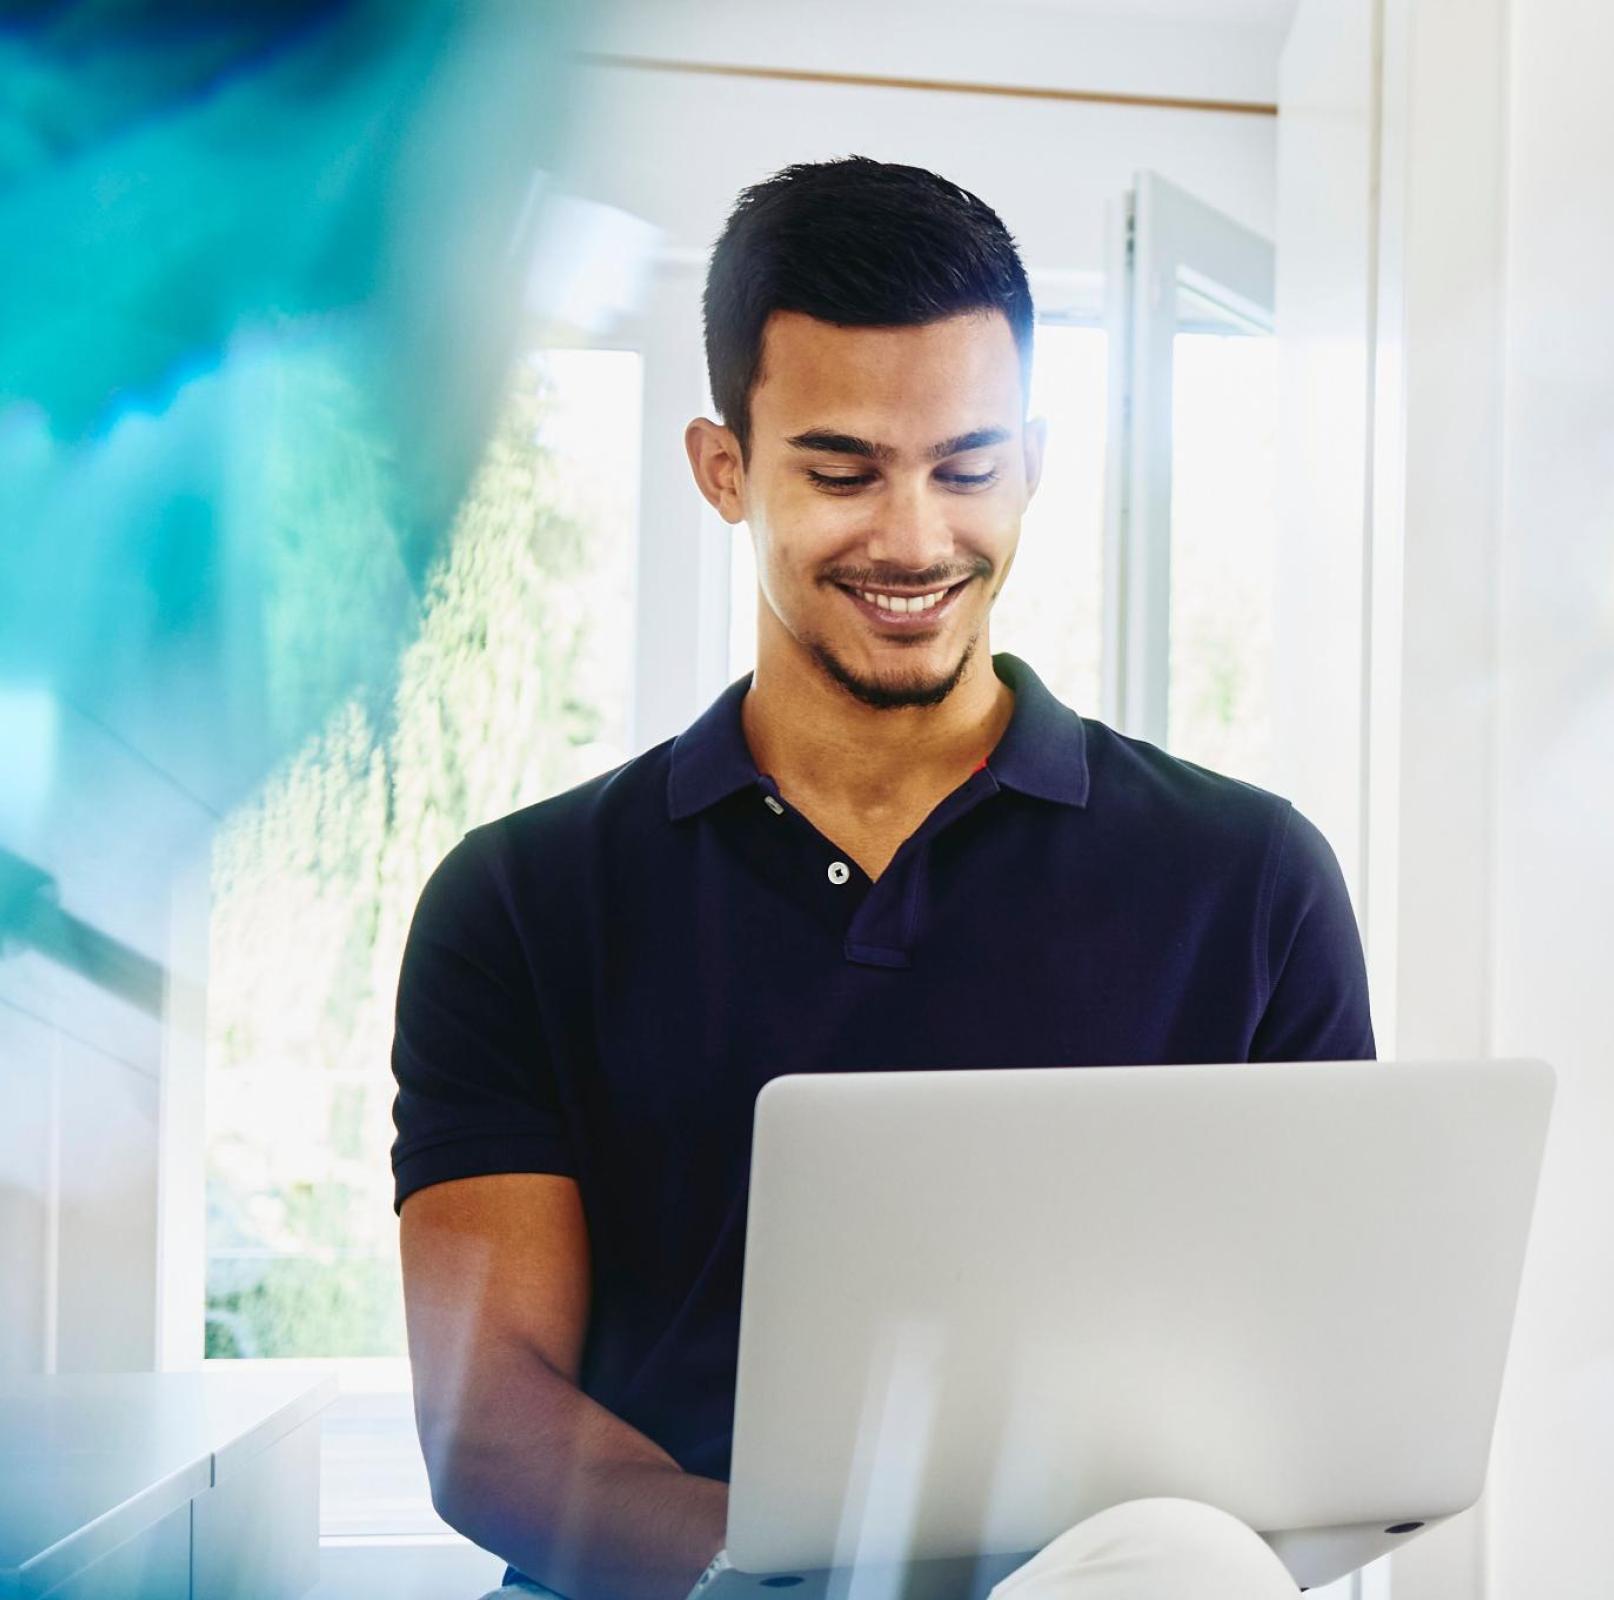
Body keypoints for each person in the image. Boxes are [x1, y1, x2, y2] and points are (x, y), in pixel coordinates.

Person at [390, 157, 1371, 1600]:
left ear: (1031, 459)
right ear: (724, 470)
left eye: (969, 469)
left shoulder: (1253, 880)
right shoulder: (518, 902)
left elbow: (1325, 1382)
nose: (915, 539)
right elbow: (491, 1422)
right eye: (842, 473)